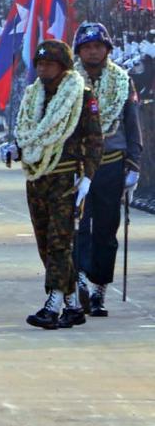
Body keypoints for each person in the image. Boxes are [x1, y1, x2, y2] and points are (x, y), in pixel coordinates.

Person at [0, 39, 102, 329]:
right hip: (37, 176)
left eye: (50, 64)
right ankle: (73, 305)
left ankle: (53, 304)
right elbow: (28, 132)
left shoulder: (80, 95)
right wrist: (15, 148)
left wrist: (88, 178)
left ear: (63, 66)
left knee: (60, 242)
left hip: (66, 176)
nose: (43, 68)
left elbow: (95, 140)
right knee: (45, 241)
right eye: (40, 64)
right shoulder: (33, 95)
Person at [72, 23, 142, 318]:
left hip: (112, 164)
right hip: (78, 166)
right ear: (79, 51)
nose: (93, 51)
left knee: (106, 229)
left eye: (98, 46)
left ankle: (100, 289)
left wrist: (134, 164)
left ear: (107, 50)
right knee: (79, 228)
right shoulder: (69, 83)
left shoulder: (123, 81)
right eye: (87, 47)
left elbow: (132, 124)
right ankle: (82, 282)